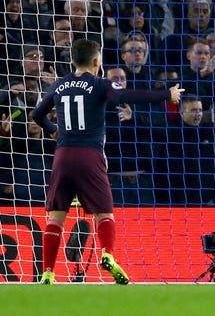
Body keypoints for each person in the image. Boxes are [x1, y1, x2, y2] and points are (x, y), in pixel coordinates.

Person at [32, 38, 184, 285]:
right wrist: (168, 94)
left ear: (72, 62)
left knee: (55, 218)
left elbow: (37, 114)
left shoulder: (59, 85)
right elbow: (128, 95)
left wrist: (52, 129)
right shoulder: (100, 84)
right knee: (104, 214)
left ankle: (47, 273)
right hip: (90, 156)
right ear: (96, 62)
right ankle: (108, 255)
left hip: (62, 156)